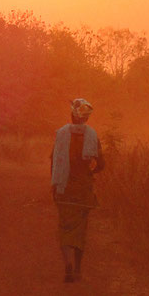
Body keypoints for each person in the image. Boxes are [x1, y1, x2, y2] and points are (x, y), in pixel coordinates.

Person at [50, 98, 105, 283]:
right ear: (86, 118)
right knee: (81, 230)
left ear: (72, 115)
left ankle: (68, 265)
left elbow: (54, 161)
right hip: (83, 188)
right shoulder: (92, 136)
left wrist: (54, 185)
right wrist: (90, 171)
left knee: (65, 227)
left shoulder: (61, 134)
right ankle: (79, 269)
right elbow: (101, 164)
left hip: (64, 187)